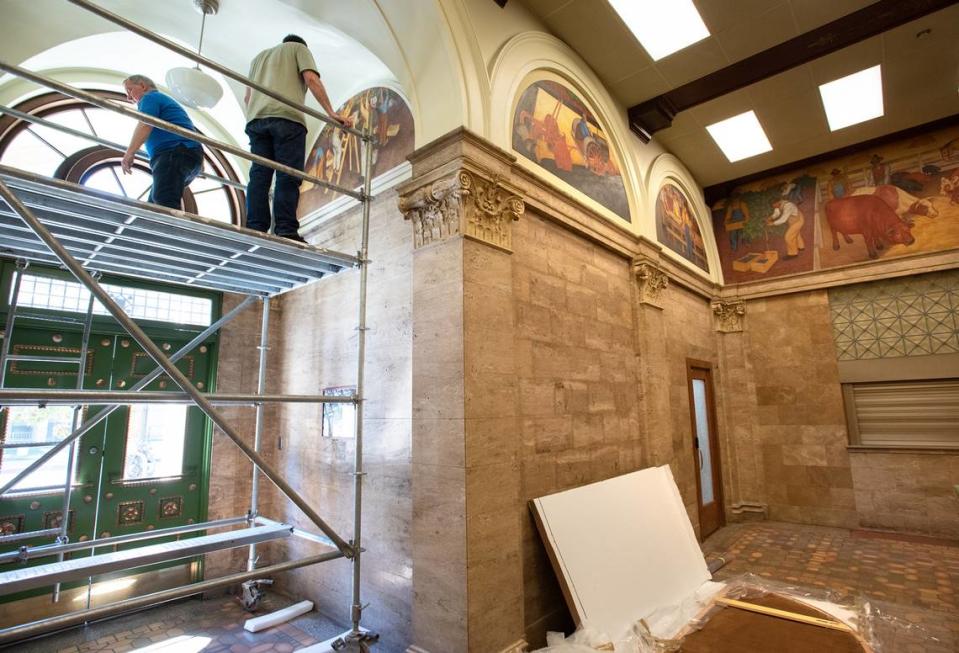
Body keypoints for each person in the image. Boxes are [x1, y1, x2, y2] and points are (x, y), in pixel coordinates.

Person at [244, 34, 352, 242]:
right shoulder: (298, 48)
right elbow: (311, 78)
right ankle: (285, 229)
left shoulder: (258, 59)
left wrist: (253, 119)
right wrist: (331, 113)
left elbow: (248, 97)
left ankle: (255, 228)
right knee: (288, 175)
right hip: (287, 119)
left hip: (257, 121)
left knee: (259, 176)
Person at [121, 75, 203, 210]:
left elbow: (145, 123)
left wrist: (130, 153)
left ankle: (171, 230)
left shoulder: (149, 98)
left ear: (142, 86)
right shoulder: (163, 100)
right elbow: (189, 128)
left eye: (129, 90)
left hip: (173, 152)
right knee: (154, 204)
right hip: (185, 154)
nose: (129, 97)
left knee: (163, 202)